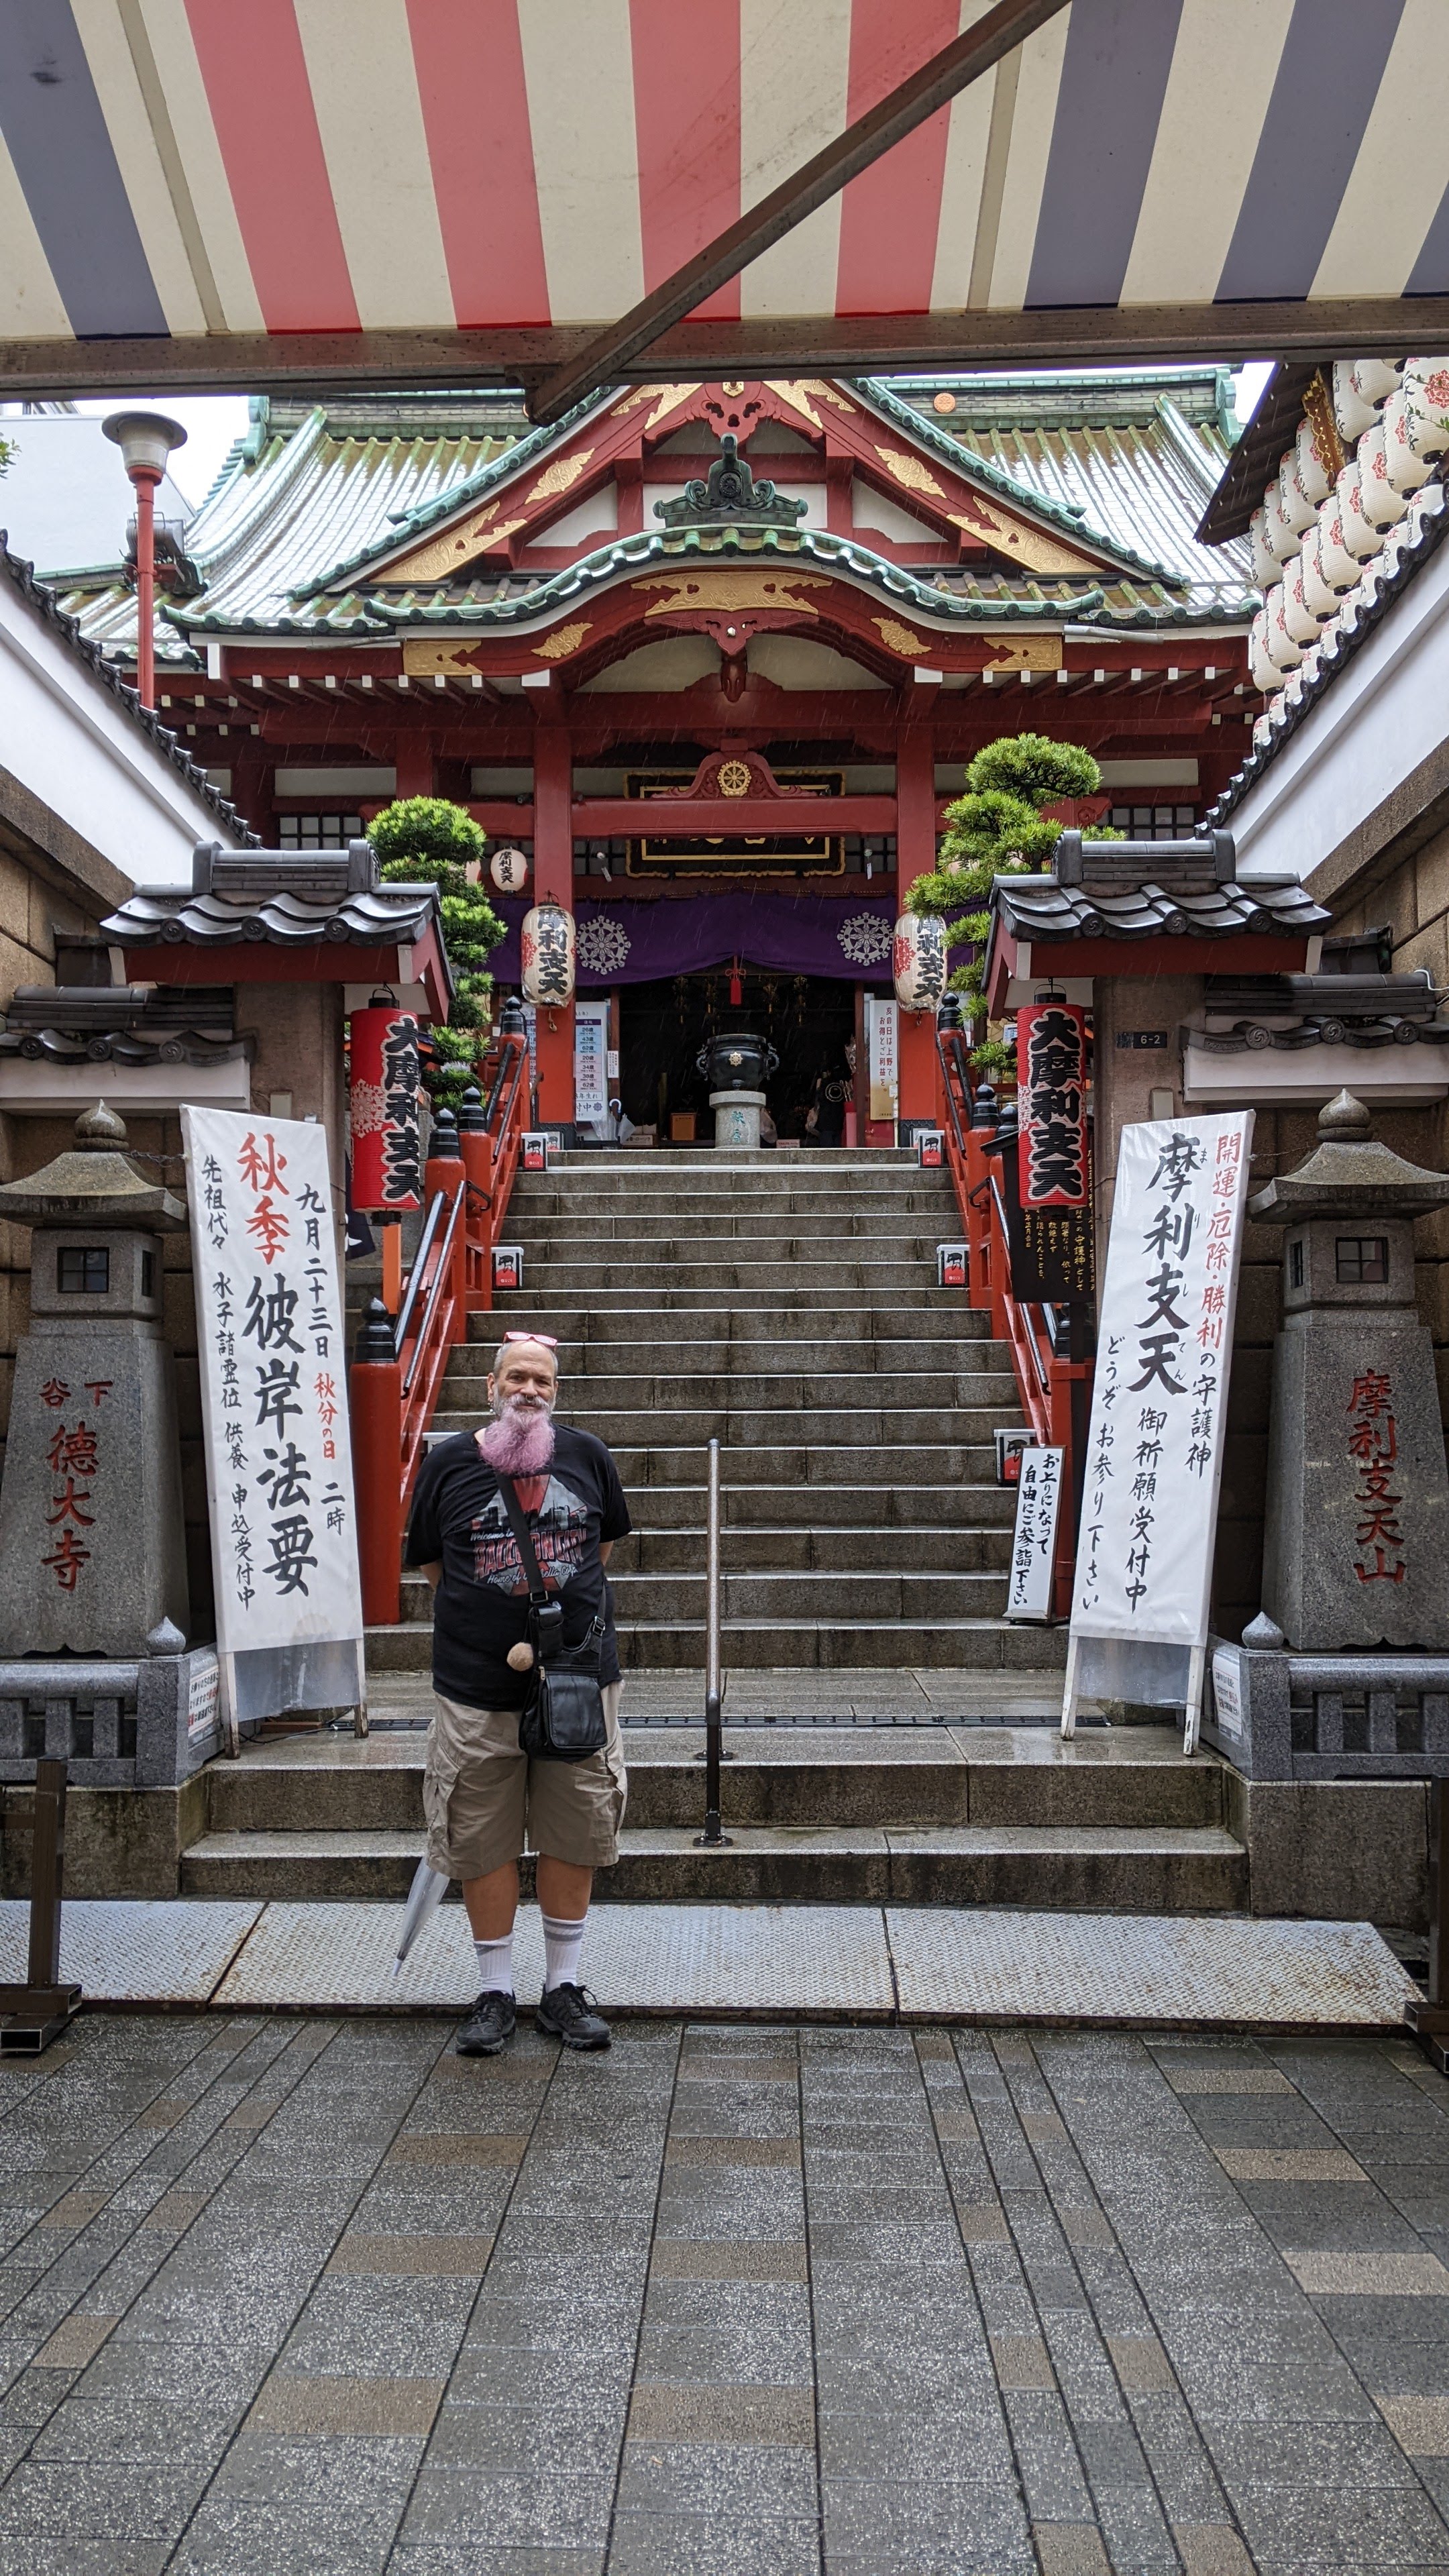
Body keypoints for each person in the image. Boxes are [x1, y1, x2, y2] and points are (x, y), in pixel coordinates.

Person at [405, 1332, 631, 2055]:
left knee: (576, 1827)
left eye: (543, 1381)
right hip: (475, 1686)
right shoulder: (449, 1463)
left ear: (555, 1393)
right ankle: (494, 1989)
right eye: (517, 1378)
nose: (529, 1391)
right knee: (480, 1833)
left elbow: (602, 1550)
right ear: (490, 1386)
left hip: (576, 1679)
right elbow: (434, 1565)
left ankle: (562, 1987)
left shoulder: (588, 1456)